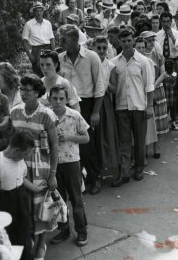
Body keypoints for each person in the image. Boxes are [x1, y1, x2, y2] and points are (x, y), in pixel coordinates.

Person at [10, 74, 59, 260]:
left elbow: (55, 144)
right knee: (23, 207)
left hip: (41, 164)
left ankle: (41, 244)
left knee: (41, 208)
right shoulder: (14, 112)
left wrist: (53, 173)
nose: (22, 93)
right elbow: (12, 141)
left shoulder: (47, 114)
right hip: (20, 164)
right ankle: (29, 242)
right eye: (21, 89)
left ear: (37, 92)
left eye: (27, 90)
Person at [58, 25, 106, 193]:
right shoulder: (59, 58)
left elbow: (100, 86)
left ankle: (95, 178)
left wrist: (95, 112)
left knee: (89, 144)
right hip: (65, 104)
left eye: (63, 39)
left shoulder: (91, 57)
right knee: (70, 143)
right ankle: (80, 181)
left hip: (87, 104)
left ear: (74, 39)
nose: (60, 42)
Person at [0, 132, 38, 260]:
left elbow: (22, 178)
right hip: (2, 202)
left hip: (20, 199)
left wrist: (35, 189)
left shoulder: (20, 161)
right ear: (16, 150)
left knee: (24, 235)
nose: (27, 156)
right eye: (25, 153)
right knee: (5, 238)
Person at [111, 28, 155, 186]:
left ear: (134, 41)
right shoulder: (114, 62)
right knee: (124, 142)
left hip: (139, 106)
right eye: (123, 41)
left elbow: (149, 86)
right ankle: (124, 173)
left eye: (129, 40)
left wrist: (149, 106)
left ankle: (139, 169)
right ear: (119, 42)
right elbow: (114, 86)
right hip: (121, 107)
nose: (127, 44)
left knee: (139, 140)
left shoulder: (143, 61)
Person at [48, 85, 90, 247]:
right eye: (54, 98)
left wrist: (70, 136)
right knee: (59, 200)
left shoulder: (74, 115)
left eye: (61, 99)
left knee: (76, 199)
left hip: (72, 162)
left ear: (66, 99)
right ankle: (64, 229)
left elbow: (86, 138)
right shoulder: (47, 116)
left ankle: (81, 230)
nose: (58, 102)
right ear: (50, 99)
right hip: (54, 164)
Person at [91, 35, 120, 194]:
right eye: (98, 48)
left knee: (107, 137)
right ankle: (95, 176)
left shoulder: (110, 66)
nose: (101, 51)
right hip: (91, 103)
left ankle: (112, 172)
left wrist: (104, 81)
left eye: (104, 48)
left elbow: (115, 89)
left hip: (105, 105)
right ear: (93, 48)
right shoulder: (89, 63)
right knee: (93, 141)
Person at [22, 2, 56, 77]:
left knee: (50, 72)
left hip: (48, 48)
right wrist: (30, 56)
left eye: (40, 11)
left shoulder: (47, 23)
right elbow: (24, 41)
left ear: (43, 11)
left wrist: (54, 52)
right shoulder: (29, 24)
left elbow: (52, 39)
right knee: (38, 73)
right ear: (33, 12)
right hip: (37, 50)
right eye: (37, 11)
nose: (39, 13)